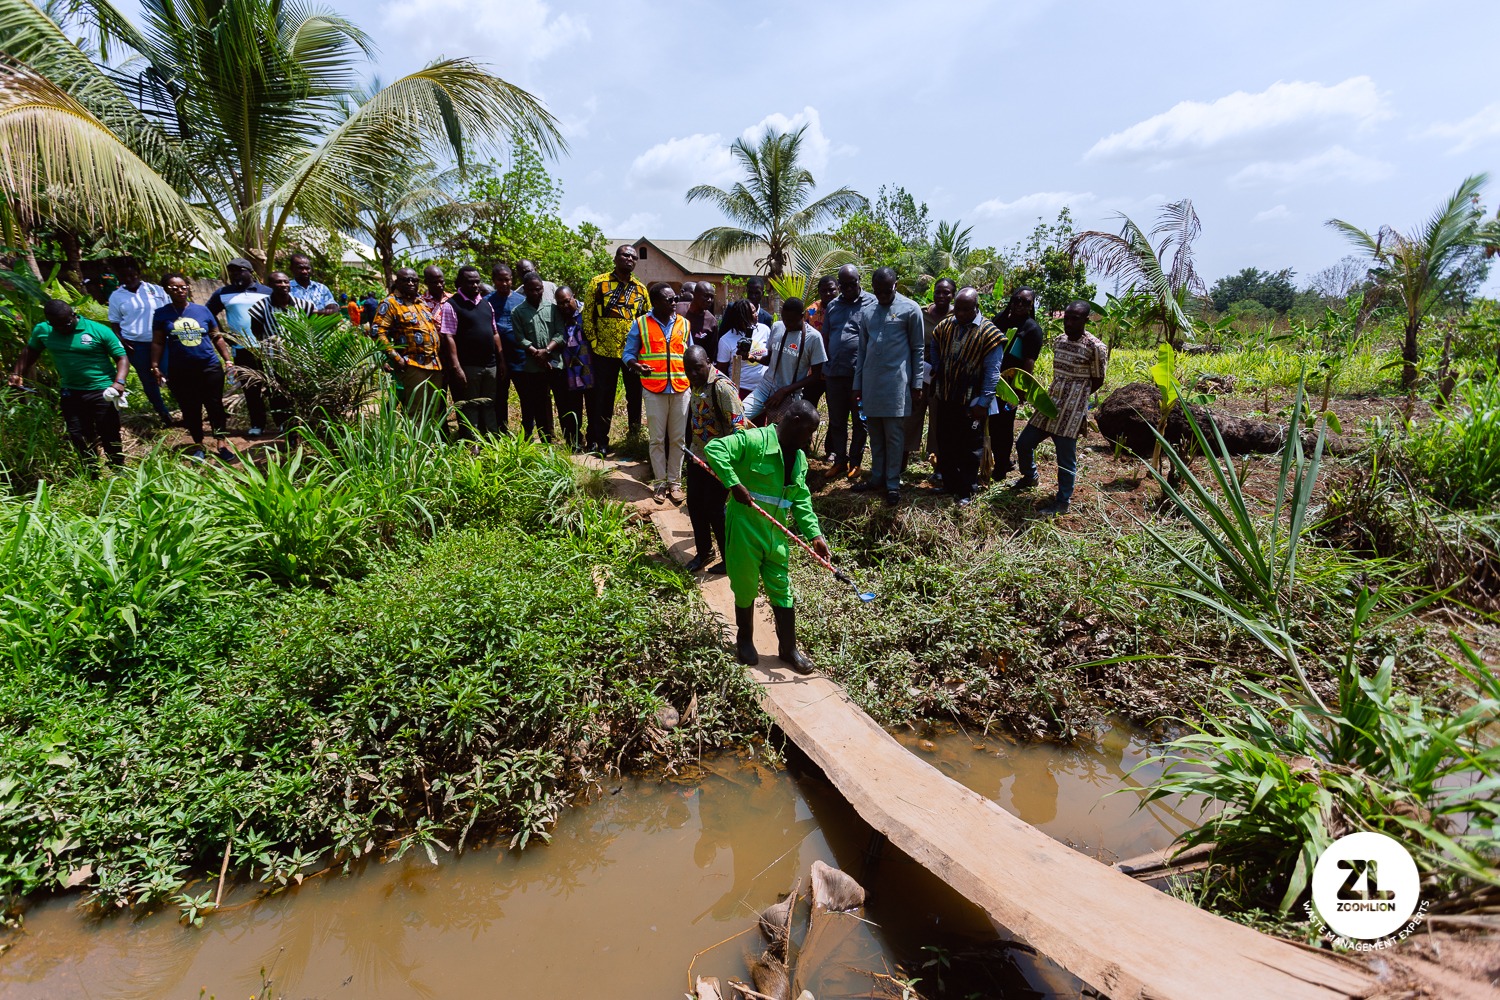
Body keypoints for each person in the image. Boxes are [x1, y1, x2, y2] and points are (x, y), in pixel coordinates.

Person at [703, 399, 832, 674]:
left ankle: (788, 649)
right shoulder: (753, 441)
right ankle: (745, 640)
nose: (810, 440)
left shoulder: (798, 459)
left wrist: (815, 534)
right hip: (745, 529)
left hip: (776, 536)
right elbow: (714, 448)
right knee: (746, 584)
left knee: (781, 589)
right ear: (794, 423)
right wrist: (734, 484)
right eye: (809, 432)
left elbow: (801, 499)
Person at [10, 299, 130, 469]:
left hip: (102, 390)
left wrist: (119, 382)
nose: (62, 328)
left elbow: (121, 357)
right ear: (49, 322)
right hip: (71, 390)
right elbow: (31, 350)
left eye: (66, 323)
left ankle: (118, 469)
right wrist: (17, 372)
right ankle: (91, 471)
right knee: (77, 434)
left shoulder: (98, 330)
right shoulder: (43, 330)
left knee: (108, 431)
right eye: (56, 325)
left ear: (74, 315)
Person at [1014, 301, 1108, 516]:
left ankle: (1063, 501)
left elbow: (1098, 380)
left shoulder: (1095, 347)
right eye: (1067, 317)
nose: (1069, 322)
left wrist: (1076, 395)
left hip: (1072, 410)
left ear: (1086, 320)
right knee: (1023, 443)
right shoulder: (1059, 341)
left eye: (1075, 318)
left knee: (1065, 459)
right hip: (1050, 403)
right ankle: (1030, 477)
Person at [851, 267, 924, 505]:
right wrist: (857, 383)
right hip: (871, 383)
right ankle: (877, 478)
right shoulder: (868, 311)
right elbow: (862, 351)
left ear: (896, 285)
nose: (882, 296)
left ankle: (892, 483)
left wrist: (917, 383)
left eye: (886, 291)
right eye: (878, 291)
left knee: (894, 435)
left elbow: (917, 349)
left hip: (896, 384)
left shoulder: (910, 309)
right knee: (875, 435)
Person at [928, 287, 1005, 504]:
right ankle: (949, 484)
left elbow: (992, 373)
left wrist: (983, 403)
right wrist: (936, 365)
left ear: (975, 307)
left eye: (965, 309)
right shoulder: (947, 325)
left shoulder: (989, 333)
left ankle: (966, 490)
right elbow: (934, 342)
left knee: (969, 446)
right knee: (946, 442)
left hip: (971, 400)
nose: (959, 314)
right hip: (946, 395)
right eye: (958, 309)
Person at [152, 274, 236, 461]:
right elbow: (158, 342)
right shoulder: (162, 314)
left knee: (215, 405)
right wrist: (155, 365)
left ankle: (221, 443)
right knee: (190, 408)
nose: (180, 290)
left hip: (209, 367)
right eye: (174, 288)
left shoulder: (203, 311)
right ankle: (199, 444)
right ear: (166, 290)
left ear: (188, 287)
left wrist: (228, 360)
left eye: (183, 286)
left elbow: (216, 336)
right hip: (180, 370)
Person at [623, 282, 692, 501]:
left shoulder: (684, 324)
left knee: (678, 439)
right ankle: (660, 484)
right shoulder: (641, 324)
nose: (674, 303)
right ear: (655, 302)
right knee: (657, 439)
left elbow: (691, 354)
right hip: (654, 389)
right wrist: (637, 366)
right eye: (669, 299)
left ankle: (675, 483)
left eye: (675, 298)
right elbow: (627, 355)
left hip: (681, 388)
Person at [581, 245, 649, 454]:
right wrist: (594, 343)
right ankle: (600, 441)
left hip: (632, 355)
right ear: (616, 258)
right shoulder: (598, 283)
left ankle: (634, 439)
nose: (629, 259)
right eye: (625, 255)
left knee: (635, 396)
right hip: (604, 352)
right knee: (603, 397)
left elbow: (646, 322)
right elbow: (587, 317)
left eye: (633, 257)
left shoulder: (640, 289)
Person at [372, 267, 458, 421]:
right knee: (416, 411)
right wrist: (396, 358)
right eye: (406, 280)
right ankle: (416, 445)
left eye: (414, 280)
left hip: (434, 364)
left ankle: (431, 444)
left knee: (434, 410)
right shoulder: (390, 303)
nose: (411, 283)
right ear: (397, 282)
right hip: (413, 365)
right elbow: (377, 332)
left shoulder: (421, 302)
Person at [684, 344, 742, 572]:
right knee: (695, 504)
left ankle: (730, 559)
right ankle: (704, 552)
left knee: (715, 509)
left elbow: (738, 429)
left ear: (708, 362)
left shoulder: (722, 388)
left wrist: (731, 466)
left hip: (719, 460)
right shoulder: (695, 383)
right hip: (697, 455)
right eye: (688, 370)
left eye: (697, 368)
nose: (692, 374)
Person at [205, 258, 273, 437]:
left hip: (269, 348)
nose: (235, 275)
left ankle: (282, 423)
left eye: (239, 271)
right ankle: (258, 424)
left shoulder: (267, 291)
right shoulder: (223, 293)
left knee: (275, 386)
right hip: (243, 349)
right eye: (232, 272)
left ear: (250, 272)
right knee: (251, 388)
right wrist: (224, 337)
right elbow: (208, 315)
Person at [104, 257, 173, 425]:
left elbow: (171, 312)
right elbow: (115, 323)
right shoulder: (116, 296)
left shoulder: (156, 290)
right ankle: (163, 412)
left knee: (170, 374)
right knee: (148, 379)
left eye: (132, 275)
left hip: (162, 342)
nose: (129, 279)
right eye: (124, 277)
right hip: (136, 345)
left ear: (138, 273)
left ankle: (186, 406)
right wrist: (123, 341)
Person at [437, 264, 504, 437]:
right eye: (470, 283)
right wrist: (456, 367)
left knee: (489, 402)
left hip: (490, 364)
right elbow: (448, 337)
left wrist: (501, 359)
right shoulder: (451, 305)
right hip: (468, 366)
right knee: (470, 404)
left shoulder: (486, 304)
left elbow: (495, 332)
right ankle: (472, 441)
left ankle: (491, 437)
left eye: (477, 282)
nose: (474, 286)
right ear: (459, 283)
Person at [244, 271, 315, 432]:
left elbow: (312, 328)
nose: (283, 285)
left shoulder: (304, 305)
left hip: (300, 358)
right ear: (270, 285)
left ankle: (304, 421)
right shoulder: (260, 307)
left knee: (301, 391)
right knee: (277, 392)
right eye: (278, 282)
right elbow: (257, 330)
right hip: (274, 358)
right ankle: (283, 423)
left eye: (285, 282)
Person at [821, 265, 873, 479]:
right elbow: (826, 336)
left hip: (858, 376)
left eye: (853, 283)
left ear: (859, 280)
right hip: (834, 373)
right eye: (844, 285)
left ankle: (856, 462)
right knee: (836, 420)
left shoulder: (871, 303)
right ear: (839, 285)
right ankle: (840, 460)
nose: (849, 288)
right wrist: (826, 362)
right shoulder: (833, 306)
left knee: (860, 420)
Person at [991, 288, 1045, 481]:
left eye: (1025, 302)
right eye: (1017, 300)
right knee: (988, 423)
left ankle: (1001, 466)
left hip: (1010, 385)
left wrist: (1020, 390)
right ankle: (993, 460)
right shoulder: (1000, 319)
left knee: (1003, 426)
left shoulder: (1031, 329)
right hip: (991, 379)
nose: (1020, 304)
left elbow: (1029, 362)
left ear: (1031, 306)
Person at [743, 297, 825, 425]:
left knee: (781, 435)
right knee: (738, 416)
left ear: (802, 316)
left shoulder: (813, 338)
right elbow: (769, 359)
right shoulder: (777, 327)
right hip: (765, 388)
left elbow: (815, 376)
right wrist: (752, 357)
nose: (787, 324)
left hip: (790, 396)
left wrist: (784, 391)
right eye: (784, 319)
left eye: (791, 321)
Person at [508, 272, 565, 440]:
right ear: (525, 290)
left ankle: (571, 438)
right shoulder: (517, 312)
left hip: (555, 362)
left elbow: (560, 333)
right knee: (540, 403)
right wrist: (536, 354)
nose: (535, 293)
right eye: (531, 290)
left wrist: (546, 351)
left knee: (563, 401)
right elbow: (520, 338)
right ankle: (548, 438)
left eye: (538, 289)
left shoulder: (552, 308)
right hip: (533, 366)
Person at [906, 277, 954, 473]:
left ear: (953, 294)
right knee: (911, 415)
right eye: (938, 291)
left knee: (939, 419)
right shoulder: (921, 313)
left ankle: (938, 466)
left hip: (943, 377)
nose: (941, 295)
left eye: (946, 292)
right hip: (919, 372)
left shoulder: (957, 315)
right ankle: (902, 461)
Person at [486, 263, 524, 434]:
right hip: (496, 357)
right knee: (500, 397)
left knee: (526, 396)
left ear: (512, 280)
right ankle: (502, 431)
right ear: (494, 281)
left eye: (507, 280)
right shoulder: (487, 302)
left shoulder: (521, 300)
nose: (504, 283)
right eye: (500, 280)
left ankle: (527, 431)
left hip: (520, 356)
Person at [554, 285, 591, 450]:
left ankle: (594, 441)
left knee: (592, 406)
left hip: (589, 367)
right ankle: (574, 441)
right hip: (568, 370)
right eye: (560, 303)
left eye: (567, 301)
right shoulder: (558, 316)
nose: (564, 306)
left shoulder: (587, 311)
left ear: (573, 297)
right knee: (572, 408)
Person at [714, 300, 769, 400]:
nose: (756, 314)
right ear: (743, 316)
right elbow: (721, 371)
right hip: (740, 391)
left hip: (764, 389)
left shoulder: (765, 330)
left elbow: (770, 358)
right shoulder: (726, 340)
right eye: (752, 312)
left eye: (755, 311)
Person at [684, 281, 720, 358]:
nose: (709, 300)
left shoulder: (711, 322)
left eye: (712, 297)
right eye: (706, 296)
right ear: (694, 294)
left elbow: (711, 353)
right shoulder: (678, 310)